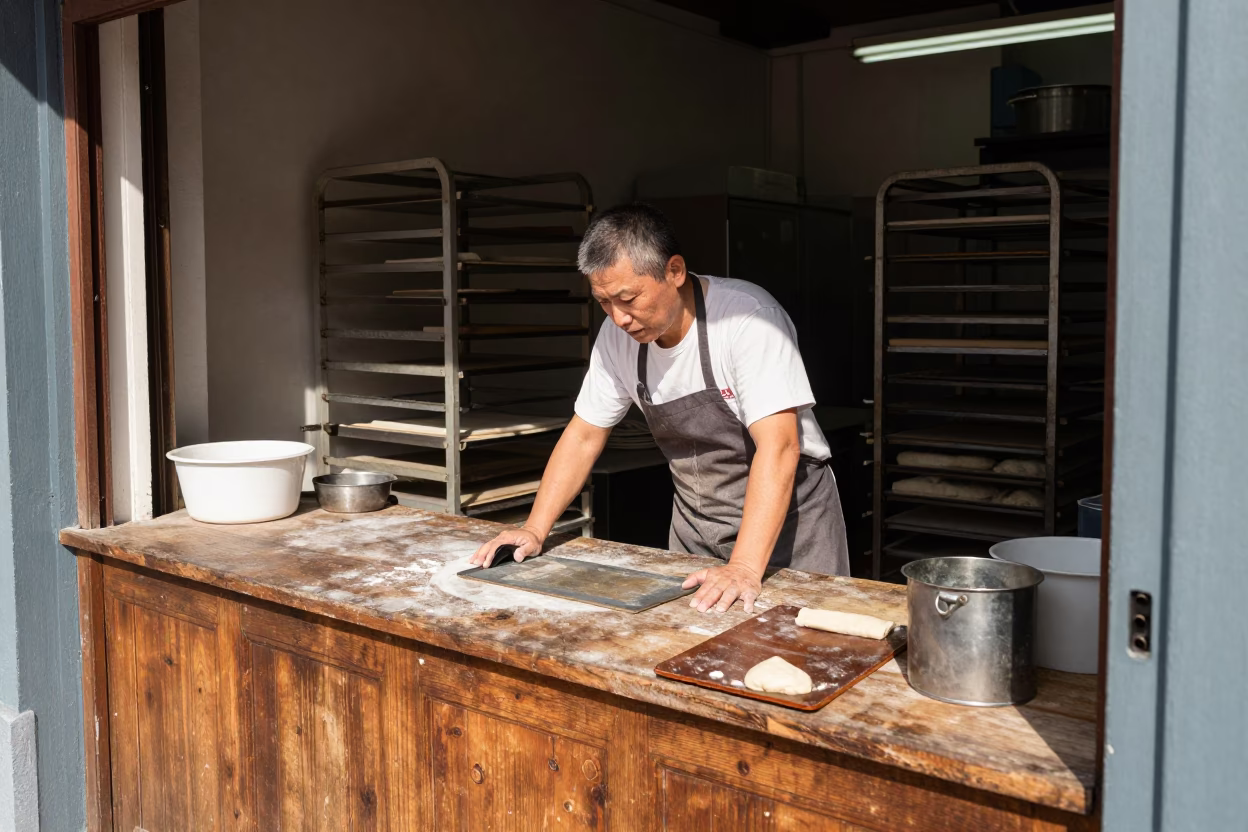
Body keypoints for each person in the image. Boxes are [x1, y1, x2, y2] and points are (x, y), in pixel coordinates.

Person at [471, 203, 849, 612]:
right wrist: (534, 528)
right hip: (696, 527)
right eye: (603, 302)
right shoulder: (617, 338)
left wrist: (743, 566)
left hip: (789, 530)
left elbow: (779, 449)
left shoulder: (747, 320)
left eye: (628, 298)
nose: (619, 318)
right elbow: (583, 435)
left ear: (675, 271)